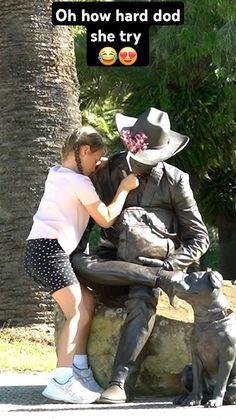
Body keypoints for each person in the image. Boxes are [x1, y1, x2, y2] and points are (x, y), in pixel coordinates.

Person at [71, 107, 210, 403]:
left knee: (142, 294)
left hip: (156, 265)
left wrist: (171, 265)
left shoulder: (174, 180)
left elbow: (199, 237)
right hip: (112, 265)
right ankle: (157, 279)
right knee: (77, 261)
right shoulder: (107, 172)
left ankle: (120, 382)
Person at [24, 126, 139, 404]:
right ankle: (61, 380)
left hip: (40, 250)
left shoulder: (58, 173)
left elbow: (79, 185)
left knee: (85, 303)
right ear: (84, 151)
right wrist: (123, 189)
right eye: (95, 157)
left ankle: (79, 368)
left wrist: (94, 166)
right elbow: (107, 218)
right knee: (75, 310)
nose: (96, 165)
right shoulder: (79, 182)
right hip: (49, 250)